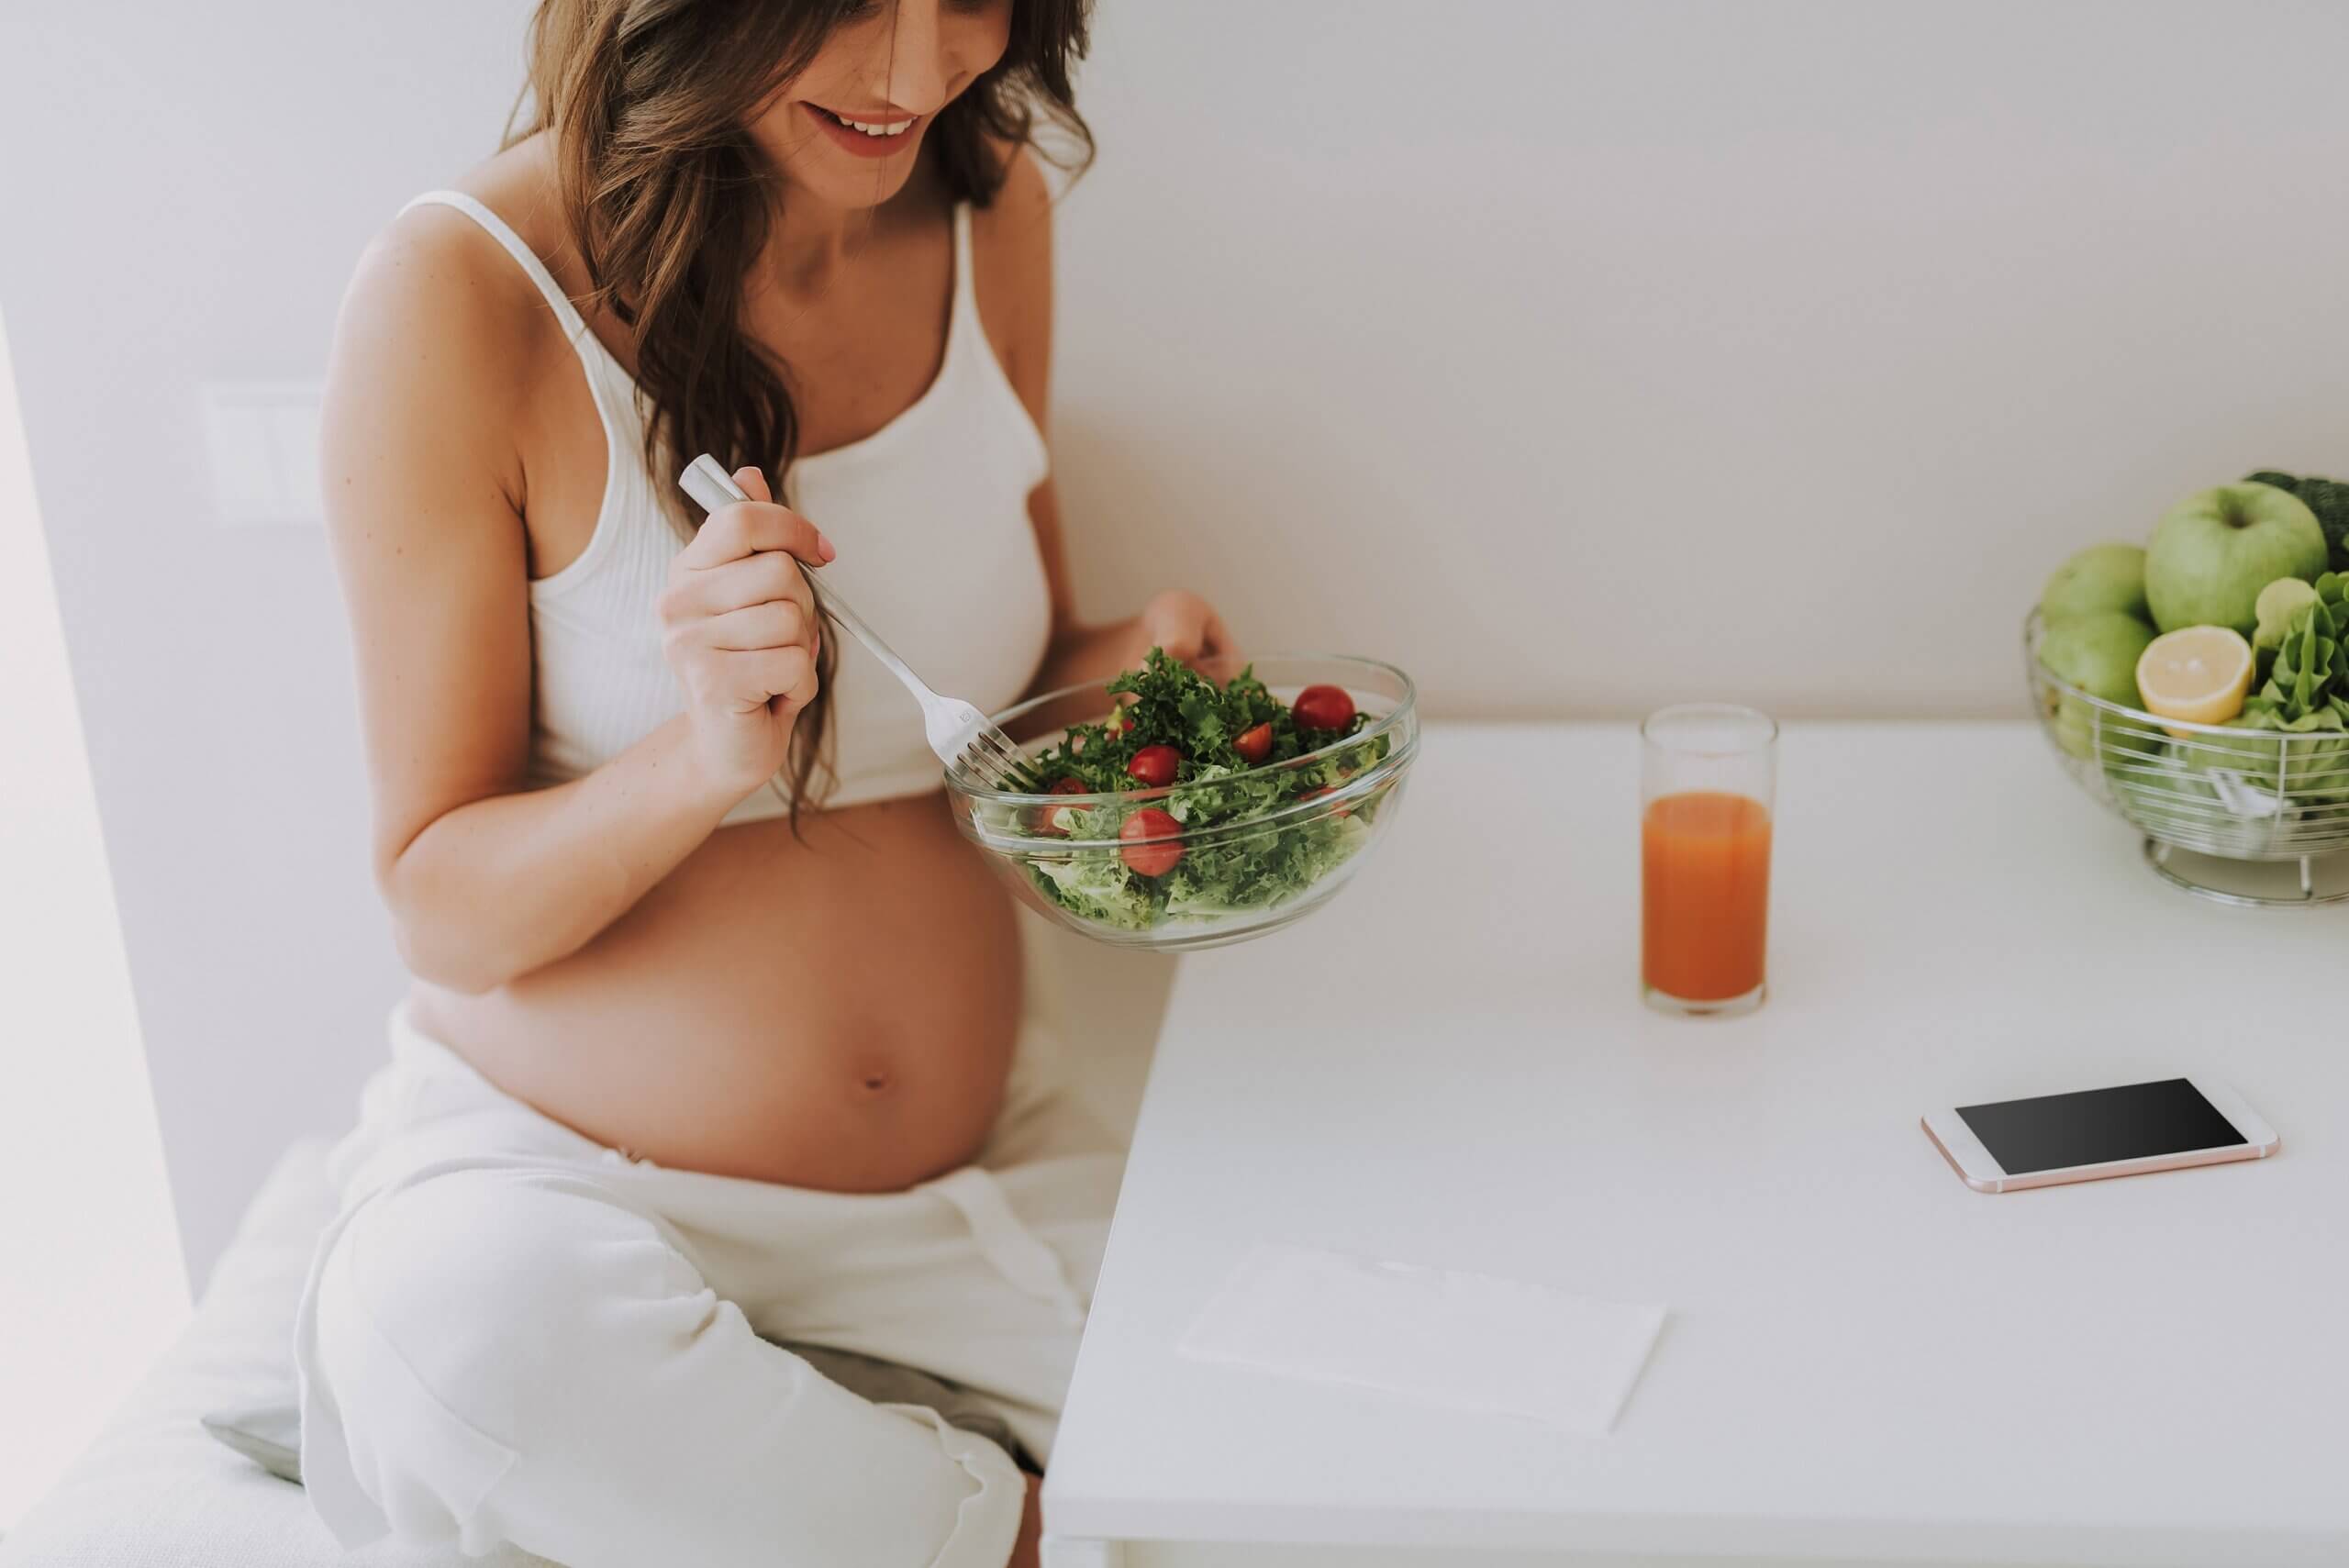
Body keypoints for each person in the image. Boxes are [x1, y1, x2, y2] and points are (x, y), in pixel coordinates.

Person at [295, 3, 1227, 1562]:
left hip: (971, 1196)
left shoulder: (986, 200)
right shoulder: (459, 294)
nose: (918, 71)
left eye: (970, 2)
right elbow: (437, 900)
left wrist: (1135, 669)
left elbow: (1018, 672)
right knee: (456, 1328)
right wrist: (702, 753)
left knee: (1326, 1440)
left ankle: (861, 1496)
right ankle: (990, 1532)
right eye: (854, 2)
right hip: (591, 1205)